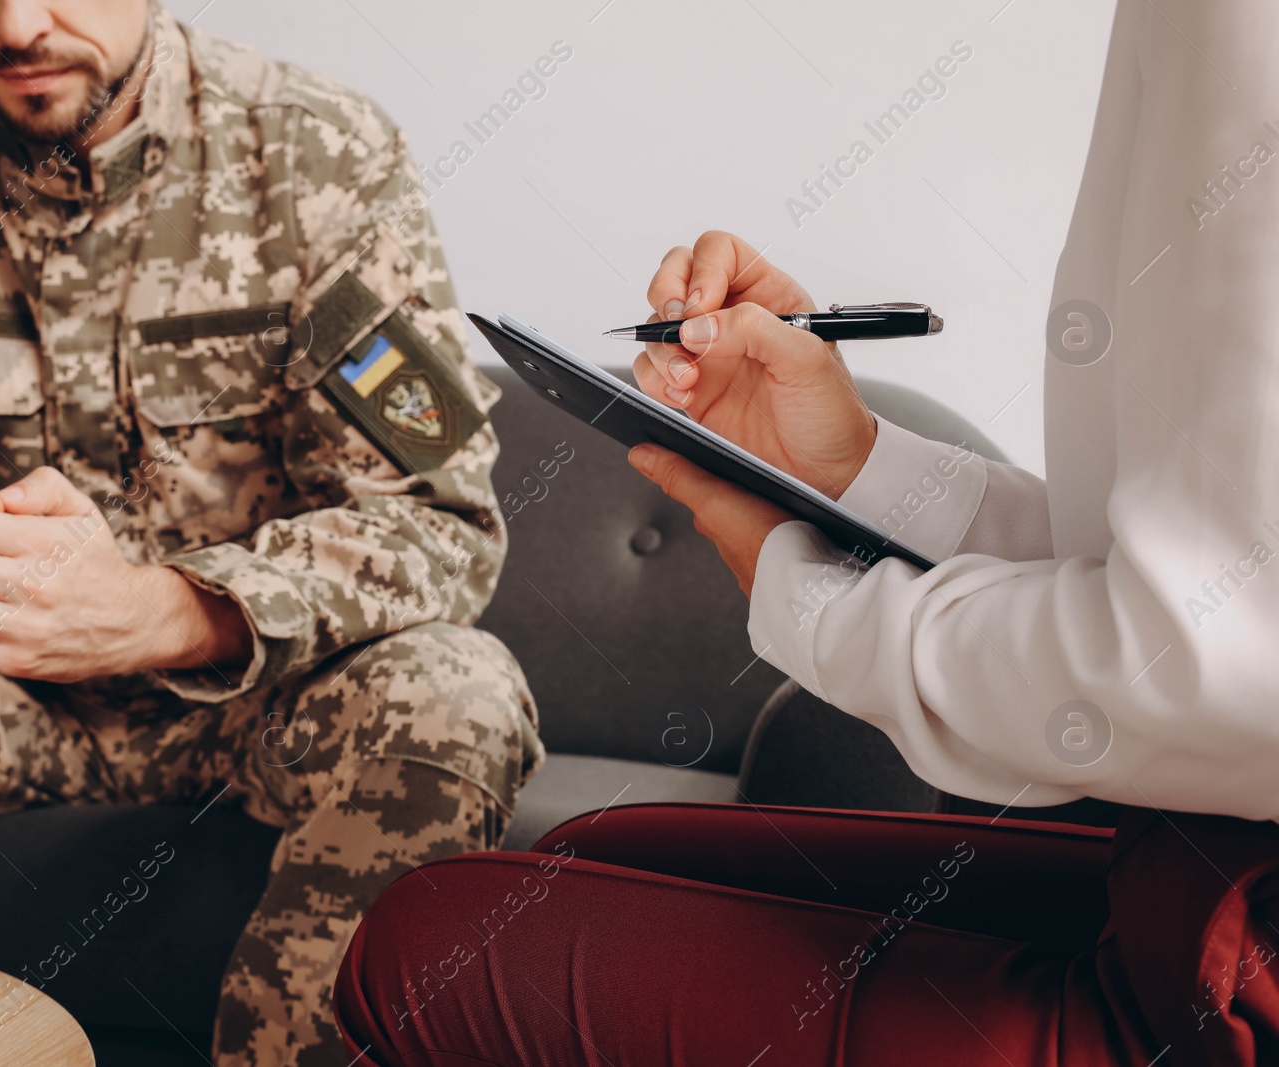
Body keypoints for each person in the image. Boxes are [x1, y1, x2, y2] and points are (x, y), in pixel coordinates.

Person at [334, 1, 1279, 1064]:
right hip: (1185, 865)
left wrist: (805, 591)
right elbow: (1185, 580)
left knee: (425, 944)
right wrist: (850, 463)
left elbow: (1218, 666)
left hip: (1231, 976)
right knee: (595, 846)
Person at [0, 2, 543, 1064]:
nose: (19, 22)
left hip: (255, 706)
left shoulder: (316, 147)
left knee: (456, 687)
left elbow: (435, 519)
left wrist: (156, 614)